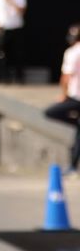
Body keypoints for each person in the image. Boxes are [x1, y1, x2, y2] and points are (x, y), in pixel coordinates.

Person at [43, 24, 80, 176]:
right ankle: (72, 165)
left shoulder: (72, 53)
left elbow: (65, 77)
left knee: (50, 112)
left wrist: (63, 95)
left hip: (75, 97)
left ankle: (72, 166)